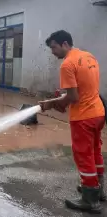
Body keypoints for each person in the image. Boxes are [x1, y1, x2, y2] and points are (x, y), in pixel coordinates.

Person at [40, 30, 105, 214]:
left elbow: (73, 97)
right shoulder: (88, 56)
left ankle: (89, 200)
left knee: (83, 155)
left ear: (64, 44)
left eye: (53, 47)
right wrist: (60, 100)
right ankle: (98, 190)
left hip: (83, 116)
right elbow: (82, 89)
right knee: (95, 151)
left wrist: (51, 103)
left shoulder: (67, 64)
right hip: (98, 112)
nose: (52, 52)